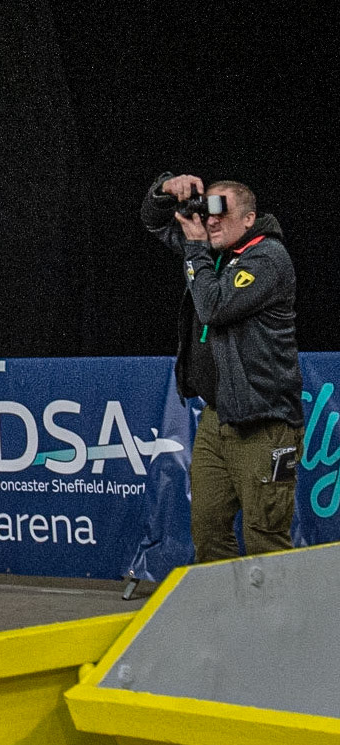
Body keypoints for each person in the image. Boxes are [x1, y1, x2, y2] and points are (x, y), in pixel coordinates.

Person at [142, 173, 301, 560]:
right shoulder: (214, 254)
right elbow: (154, 220)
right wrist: (166, 189)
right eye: (205, 209)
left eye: (221, 210)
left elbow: (214, 307)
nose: (210, 219)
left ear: (249, 219)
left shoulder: (268, 257)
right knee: (208, 529)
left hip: (265, 422)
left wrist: (196, 249)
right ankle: (230, 620)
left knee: (265, 538)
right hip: (218, 418)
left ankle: (277, 622)